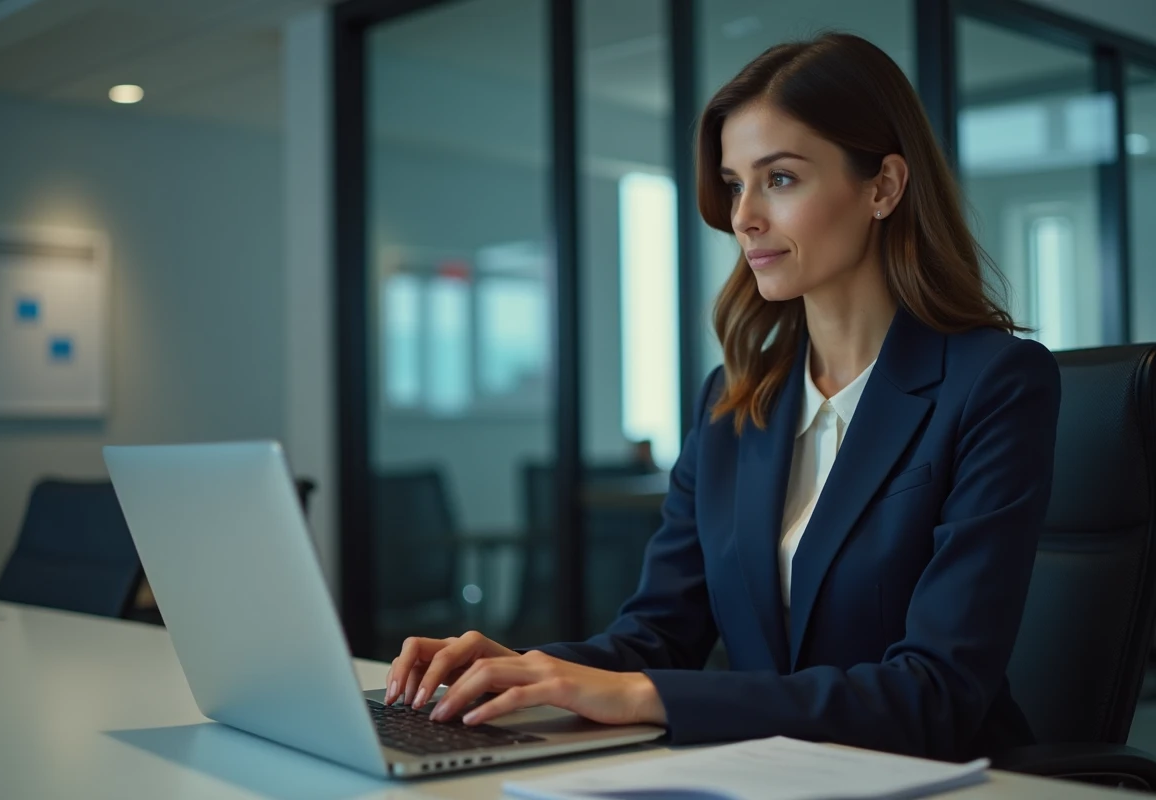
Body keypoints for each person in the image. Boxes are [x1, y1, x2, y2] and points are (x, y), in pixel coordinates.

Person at [382, 32, 1061, 762]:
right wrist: (517, 671)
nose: (743, 218)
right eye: (736, 183)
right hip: (770, 772)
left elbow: (935, 693)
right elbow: (657, 635)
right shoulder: (734, 402)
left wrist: (647, 696)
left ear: (883, 187)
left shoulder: (995, 382)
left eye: (781, 179)